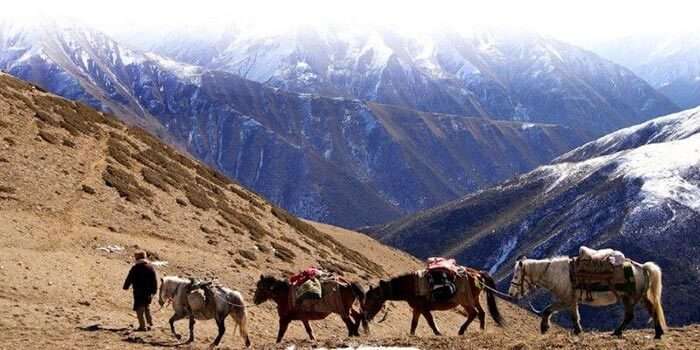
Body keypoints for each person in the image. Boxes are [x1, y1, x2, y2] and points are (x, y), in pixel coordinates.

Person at [123, 251, 158, 331]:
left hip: (138, 292)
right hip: (148, 292)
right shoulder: (150, 267)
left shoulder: (135, 268)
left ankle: (143, 326)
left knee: (139, 308)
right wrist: (154, 291)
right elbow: (154, 280)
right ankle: (150, 324)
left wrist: (126, 287)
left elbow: (129, 278)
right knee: (147, 307)